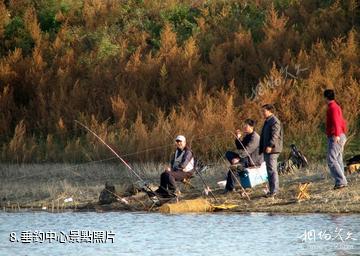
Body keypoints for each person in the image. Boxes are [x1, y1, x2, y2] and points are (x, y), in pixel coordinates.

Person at [224, 119, 263, 193]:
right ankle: (239, 167)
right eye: (244, 125)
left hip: (252, 160)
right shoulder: (248, 135)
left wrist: (238, 158)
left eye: (246, 126)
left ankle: (229, 189)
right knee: (228, 153)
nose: (244, 127)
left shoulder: (255, 137)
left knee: (233, 168)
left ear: (251, 127)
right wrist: (237, 138)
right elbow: (240, 147)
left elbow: (248, 150)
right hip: (245, 158)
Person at [324, 89, 347, 189]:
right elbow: (342, 122)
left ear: (325, 97)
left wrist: (337, 134)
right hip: (340, 135)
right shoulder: (336, 106)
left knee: (331, 159)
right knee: (338, 159)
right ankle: (342, 181)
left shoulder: (332, 108)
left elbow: (336, 122)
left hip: (336, 136)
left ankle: (341, 181)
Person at [259, 104, 283, 198]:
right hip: (267, 150)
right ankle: (271, 190)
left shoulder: (274, 121)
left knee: (272, 170)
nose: (262, 113)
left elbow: (275, 135)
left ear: (270, 111)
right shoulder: (267, 121)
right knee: (269, 170)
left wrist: (269, 146)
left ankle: (274, 191)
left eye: (264, 111)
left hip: (273, 149)